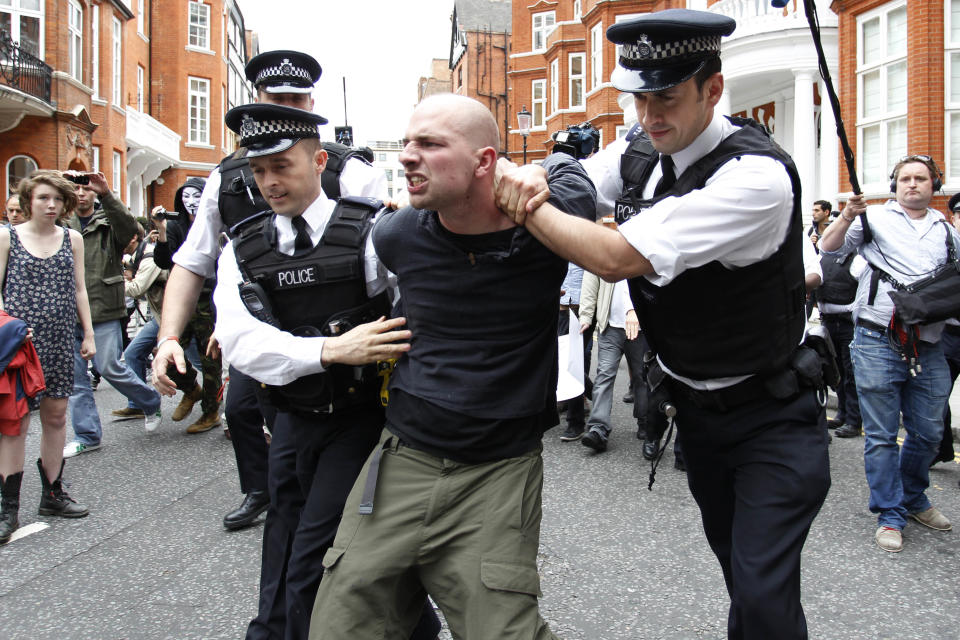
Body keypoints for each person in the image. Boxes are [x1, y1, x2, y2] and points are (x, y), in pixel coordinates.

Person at [494, 10, 830, 639]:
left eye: (668, 96)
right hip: (699, 417)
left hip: (771, 418)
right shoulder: (644, 150)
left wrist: (524, 201)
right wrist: (539, 172)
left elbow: (614, 258)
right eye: (640, 97)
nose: (650, 115)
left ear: (713, 88)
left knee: (760, 594)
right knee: (743, 577)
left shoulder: (755, 176)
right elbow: (575, 178)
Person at [309, 94, 595, 640]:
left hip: (500, 470)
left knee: (503, 632)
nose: (410, 155)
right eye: (409, 142)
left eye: (432, 144)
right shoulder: (398, 236)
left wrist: (532, 168)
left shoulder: (545, 226)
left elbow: (576, 175)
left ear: (484, 161)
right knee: (341, 623)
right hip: (404, 460)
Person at [216, 103, 440, 640]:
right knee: (287, 539)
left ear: (319, 161)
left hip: (363, 421)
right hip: (291, 418)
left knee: (313, 561)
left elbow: (421, 308)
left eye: (282, 166)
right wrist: (330, 351)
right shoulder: (242, 247)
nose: (269, 182)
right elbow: (241, 342)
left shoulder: (369, 231)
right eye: (257, 170)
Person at [151, 50, 385, 540]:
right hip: (263, 332)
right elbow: (193, 261)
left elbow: (390, 265)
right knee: (246, 416)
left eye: (295, 100)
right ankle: (264, 492)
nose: (284, 109)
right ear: (255, 100)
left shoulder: (350, 170)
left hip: (346, 353)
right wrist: (169, 337)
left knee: (332, 509)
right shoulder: (225, 178)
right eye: (274, 100)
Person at [819, 154, 957, 552]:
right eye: (905, 179)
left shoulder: (945, 230)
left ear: (935, 185)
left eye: (921, 179)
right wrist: (846, 216)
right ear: (895, 184)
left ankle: (914, 498)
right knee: (880, 435)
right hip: (877, 341)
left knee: (929, 432)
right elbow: (829, 249)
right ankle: (890, 512)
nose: (913, 185)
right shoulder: (872, 218)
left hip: (929, 346)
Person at [0, 171, 96, 544]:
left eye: (57, 199)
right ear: (29, 201)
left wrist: (87, 333)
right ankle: (7, 508)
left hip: (59, 342)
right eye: (43, 198)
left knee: (56, 417)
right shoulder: (8, 237)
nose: (51, 205)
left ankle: (53, 494)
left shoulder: (72, 239)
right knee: (15, 422)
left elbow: (79, 289)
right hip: (19, 347)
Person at [61, 171, 162, 456]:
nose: (81, 193)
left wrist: (106, 193)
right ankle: (88, 435)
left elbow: (131, 229)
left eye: (86, 189)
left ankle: (149, 400)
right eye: (75, 189)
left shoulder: (107, 221)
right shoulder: (62, 223)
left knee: (109, 367)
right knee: (77, 379)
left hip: (102, 306)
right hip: (67, 310)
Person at [151, 177, 222, 434]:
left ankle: (211, 411)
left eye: (196, 196)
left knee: (210, 357)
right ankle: (192, 390)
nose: (191, 201)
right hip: (179, 300)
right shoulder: (176, 226)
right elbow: (163, 260)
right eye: (186, 196)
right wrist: (161, 230)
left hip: (209, 299)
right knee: (165, 353)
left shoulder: (215, 223)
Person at [577, 273, 645, 454]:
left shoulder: (645, 244)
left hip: (641, 326)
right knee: (604, 375)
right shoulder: (604, 244)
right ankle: (598, 428)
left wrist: (636, 309)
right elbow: (591, 279)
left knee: (642, 376)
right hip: (610, 326)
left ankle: (646, 423)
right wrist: (586, 316)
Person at [817, 207, 866, 439]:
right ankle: (842, 415)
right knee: (835, 372)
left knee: (851, 373)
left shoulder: (858, 259)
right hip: (828, 322)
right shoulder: (823, 257)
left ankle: (854, 420)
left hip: (848, 325)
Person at [113, 222, 168, 420]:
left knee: (196, 358)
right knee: (132, 354)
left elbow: (137, 289)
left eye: (119, 236)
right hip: (159, 315)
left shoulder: (149, 257)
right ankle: (137, 403)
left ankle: (215, 397)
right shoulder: (136, 257)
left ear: (133, 238)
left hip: (171, 316)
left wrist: (111, 282)